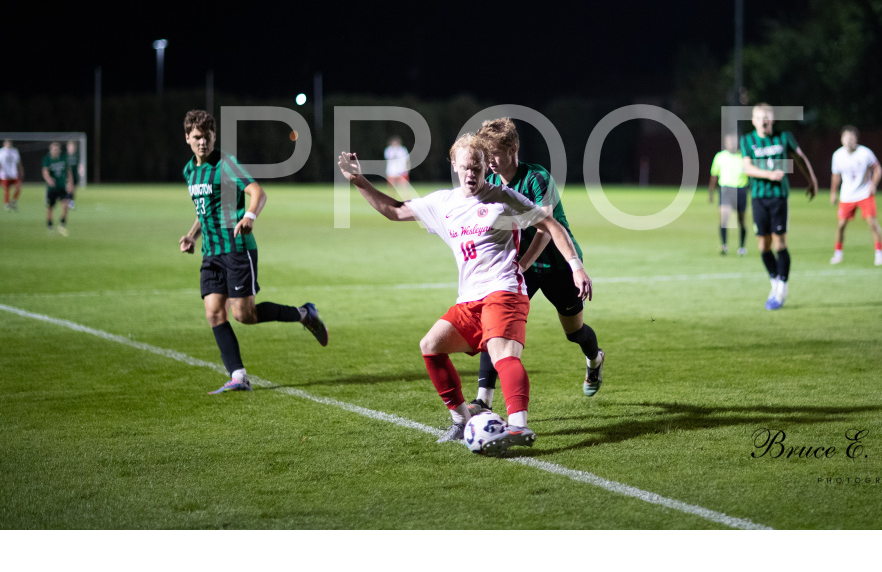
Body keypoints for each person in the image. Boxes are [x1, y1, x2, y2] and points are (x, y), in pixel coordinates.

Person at [338, 133, 593, 453]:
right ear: (454, 166)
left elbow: (551, 225)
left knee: (503, 354)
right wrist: (359, 180)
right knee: (431, 346)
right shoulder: (443, 203)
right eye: (466, 167)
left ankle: (518, 426)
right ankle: (461, 420)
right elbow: (395, 210)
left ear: (486, 166)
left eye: (477, 167)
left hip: (504, 291)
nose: (471, 174)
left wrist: (575, 266)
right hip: (470, 300)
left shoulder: (503, 198)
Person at [178, 109, 329, 395]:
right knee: (214, 313)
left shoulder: (226, 164)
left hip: (237, 248)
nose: (202, 142)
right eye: (197, 137)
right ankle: (238, 376)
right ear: (187, 138)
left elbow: (258, 193)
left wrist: (250, 216)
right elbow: (204, 210)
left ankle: (304, 314)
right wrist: (191, 235)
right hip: (211, 253)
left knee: (244, 315)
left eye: (207, 136)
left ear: (214, 136)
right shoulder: (190, 171)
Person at [474, 117, 605, 400]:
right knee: (496, 326)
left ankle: (595, 359)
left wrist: (523, 264)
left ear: (513, 149)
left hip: (558, 265)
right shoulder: (490, 182)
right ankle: (483, 401)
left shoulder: (537, 177)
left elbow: (545, 231)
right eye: (487, 154)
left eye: (494, 153)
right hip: (521, 268)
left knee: (574, 332)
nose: (490, 161)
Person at [740, 103, 819, 310]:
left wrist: (811, 179)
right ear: (753, 121)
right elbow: (747, 168)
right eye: (759, 118)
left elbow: (800, 158)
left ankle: (782, 288)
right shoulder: (747, 140)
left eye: (767, 118)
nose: (763, 122)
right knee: (763, 246)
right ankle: (775, 281)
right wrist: (769, 174)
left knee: (779, 244)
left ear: (773, 119)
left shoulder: (784, 137)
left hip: (779, 197)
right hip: (758, 197)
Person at [830, 126, 882, 265]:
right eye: (846, 137)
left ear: (856, 139)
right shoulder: (837, 155)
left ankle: (879, 254)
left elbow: (877, 169)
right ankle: (838, 253)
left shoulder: (865, 153)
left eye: (852, 137)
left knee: (872, 223)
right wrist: (833, 193)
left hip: (864, 193)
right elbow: (836, 175)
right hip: (847, 195)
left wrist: (873, 185)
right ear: (841, 139)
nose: (849, 140)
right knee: (841, 225)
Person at [708, 132, 749, 256]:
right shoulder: (720, 156)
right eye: (729, 141)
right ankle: (724, 245)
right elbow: (714, 175)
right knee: (724, 218)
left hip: (741, 189)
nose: (732, 143)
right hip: (726, 190)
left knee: (741, 220)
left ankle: (742, 247)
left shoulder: (744, 157)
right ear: (725, 143)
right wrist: (711, 193)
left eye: (734, 141)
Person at [42, 141, 73, 235]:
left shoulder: (63, 159)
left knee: (66, 204)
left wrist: (70, 183)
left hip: (62, 187)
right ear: (50, 150)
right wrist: (48, 179)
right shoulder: (47, 159)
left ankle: (62, 223)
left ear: (59, 150)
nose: (55, 151)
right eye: (54, 149)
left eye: (57, 149)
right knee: (50, 207)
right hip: (52, 188)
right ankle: (50, 225)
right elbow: (45, 171)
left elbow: (68, 171)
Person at [1, 139, 23, 211]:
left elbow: (18, 162)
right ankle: (7, 204)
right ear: (5, 144)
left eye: (10, 143)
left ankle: (14, 201)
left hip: (14, 173)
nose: (9, 144)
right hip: (5, 174)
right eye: (7, 143)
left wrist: (21, 171)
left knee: (18, 188)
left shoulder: (14, 151)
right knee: (6, 190)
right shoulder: (1, 152)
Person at [65, 141, 83, 210]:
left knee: (74, 189)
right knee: (69, 188)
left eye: (72, 147)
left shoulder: (76, 155)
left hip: (75, 175)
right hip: (68, 175)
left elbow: (79, 164)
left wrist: (81, 170)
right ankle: (68, 201)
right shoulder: (66, 156)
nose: (71, 148)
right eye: (69, 147)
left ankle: (71, 201)